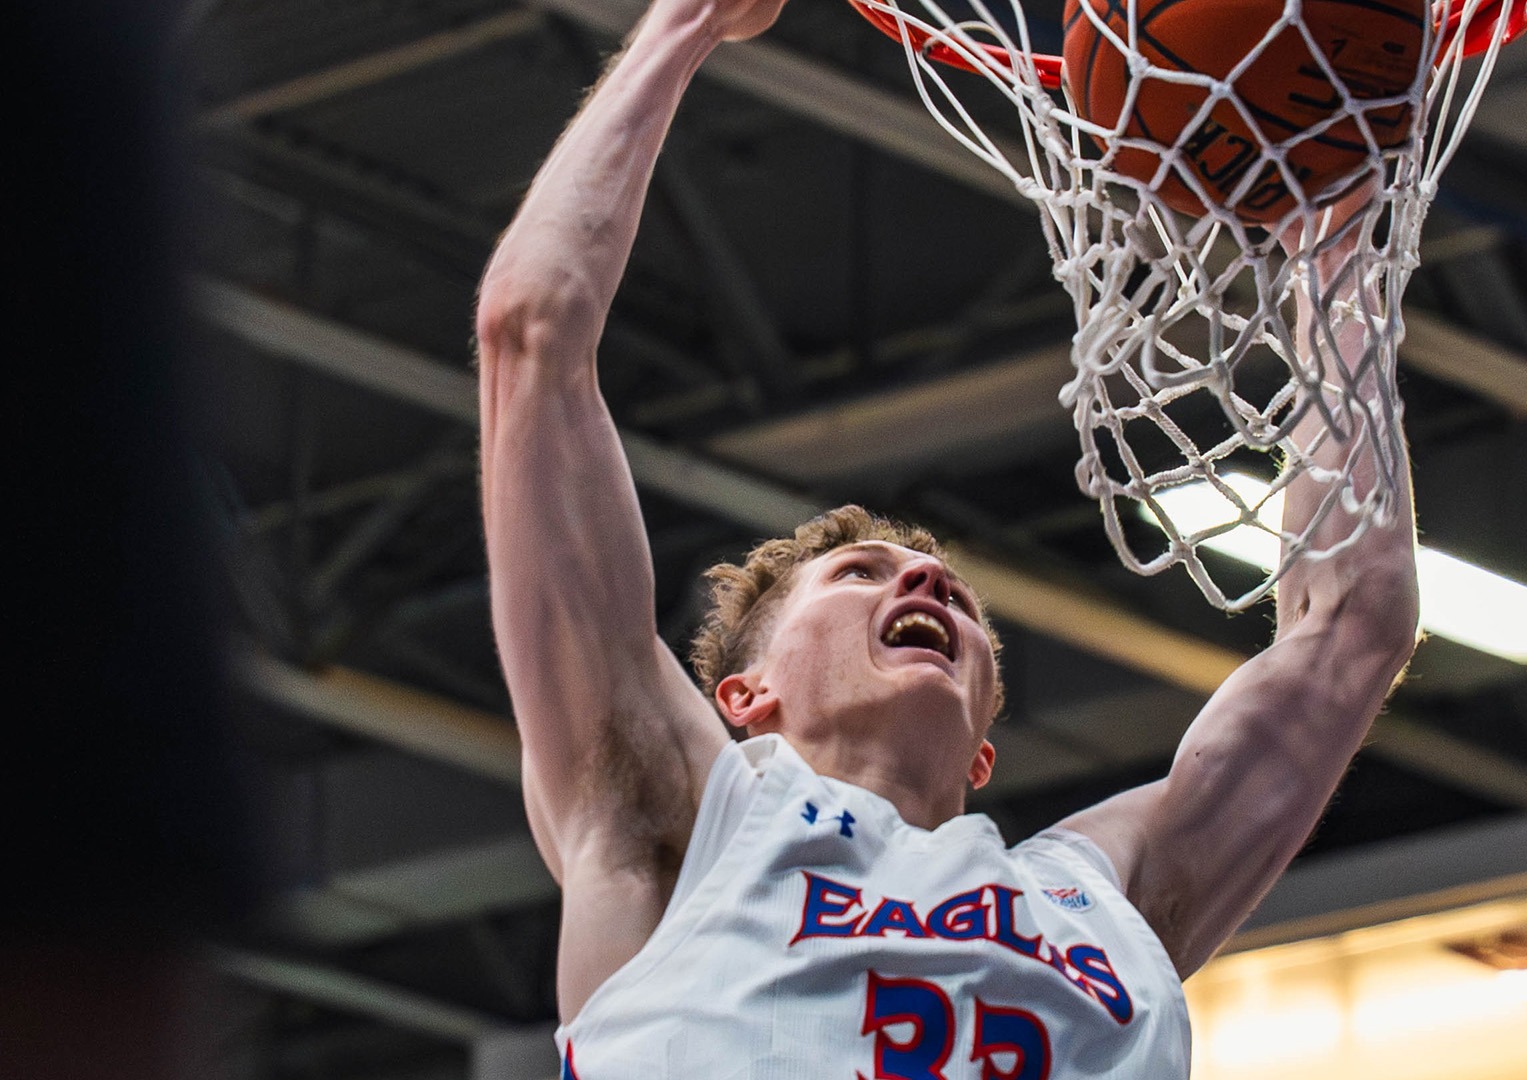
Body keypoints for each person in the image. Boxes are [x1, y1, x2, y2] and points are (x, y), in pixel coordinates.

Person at [474, 0, 1419, 1072]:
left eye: (950, 590)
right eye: (861, 573)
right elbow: (532, 333)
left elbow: (1351, 631)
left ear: (983, 749)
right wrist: (681, 28)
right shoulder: (685, 820)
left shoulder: (1097, 891)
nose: (925, 577)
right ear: (744, 698)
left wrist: (1332, 244)